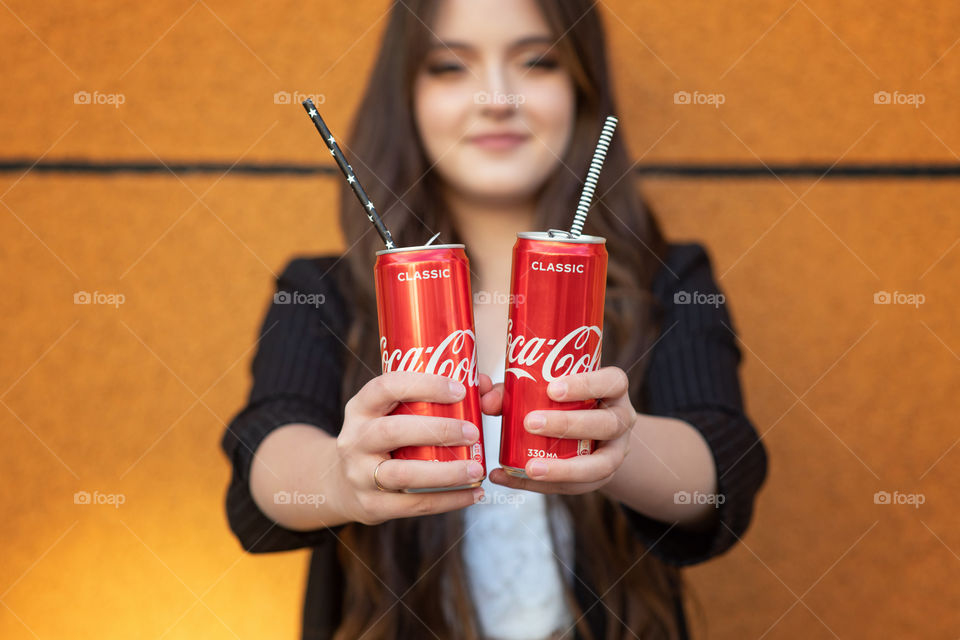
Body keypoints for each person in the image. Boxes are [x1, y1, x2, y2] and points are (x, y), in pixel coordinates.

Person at [220, 1, 768, 638]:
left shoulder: (668, 279)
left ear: (583, 88)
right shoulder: (323, 290)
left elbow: (724, 470)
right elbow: (265, 453)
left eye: (537, 61)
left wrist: (621, 443)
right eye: (451, 66)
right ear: (405, 96)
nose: (497, 97)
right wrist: (341, 477)